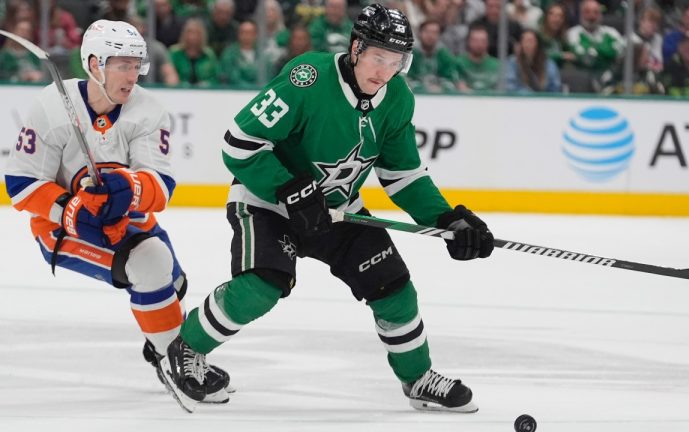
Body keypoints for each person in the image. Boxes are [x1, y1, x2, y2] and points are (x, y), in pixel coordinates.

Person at [159, 3, 494, 413]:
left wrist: (446, 219)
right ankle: (186, 348)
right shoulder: (309, 78)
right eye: (377, 57)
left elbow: (402, 175)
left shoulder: (397, 99)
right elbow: (238, 144)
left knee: (394, 290)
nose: (384, 71)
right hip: (266, 202)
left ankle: (418, 377)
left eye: (395, 61)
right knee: (262, 287)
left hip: (338, 210)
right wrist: (288, 188)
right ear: (355, 48)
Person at [3, 19, 230, 404]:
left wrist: (130, 188)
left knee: (175, 287)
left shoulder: (148, 110)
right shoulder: (49, 106)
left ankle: (163, 341)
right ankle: (173, 358)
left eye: (136, 64)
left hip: (128, 219)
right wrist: (71, 209)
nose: (132, 75)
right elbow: (21, 185)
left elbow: (160, 187)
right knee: (151, 265)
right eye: (121, 64)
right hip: (62, 229)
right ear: (94, 64)